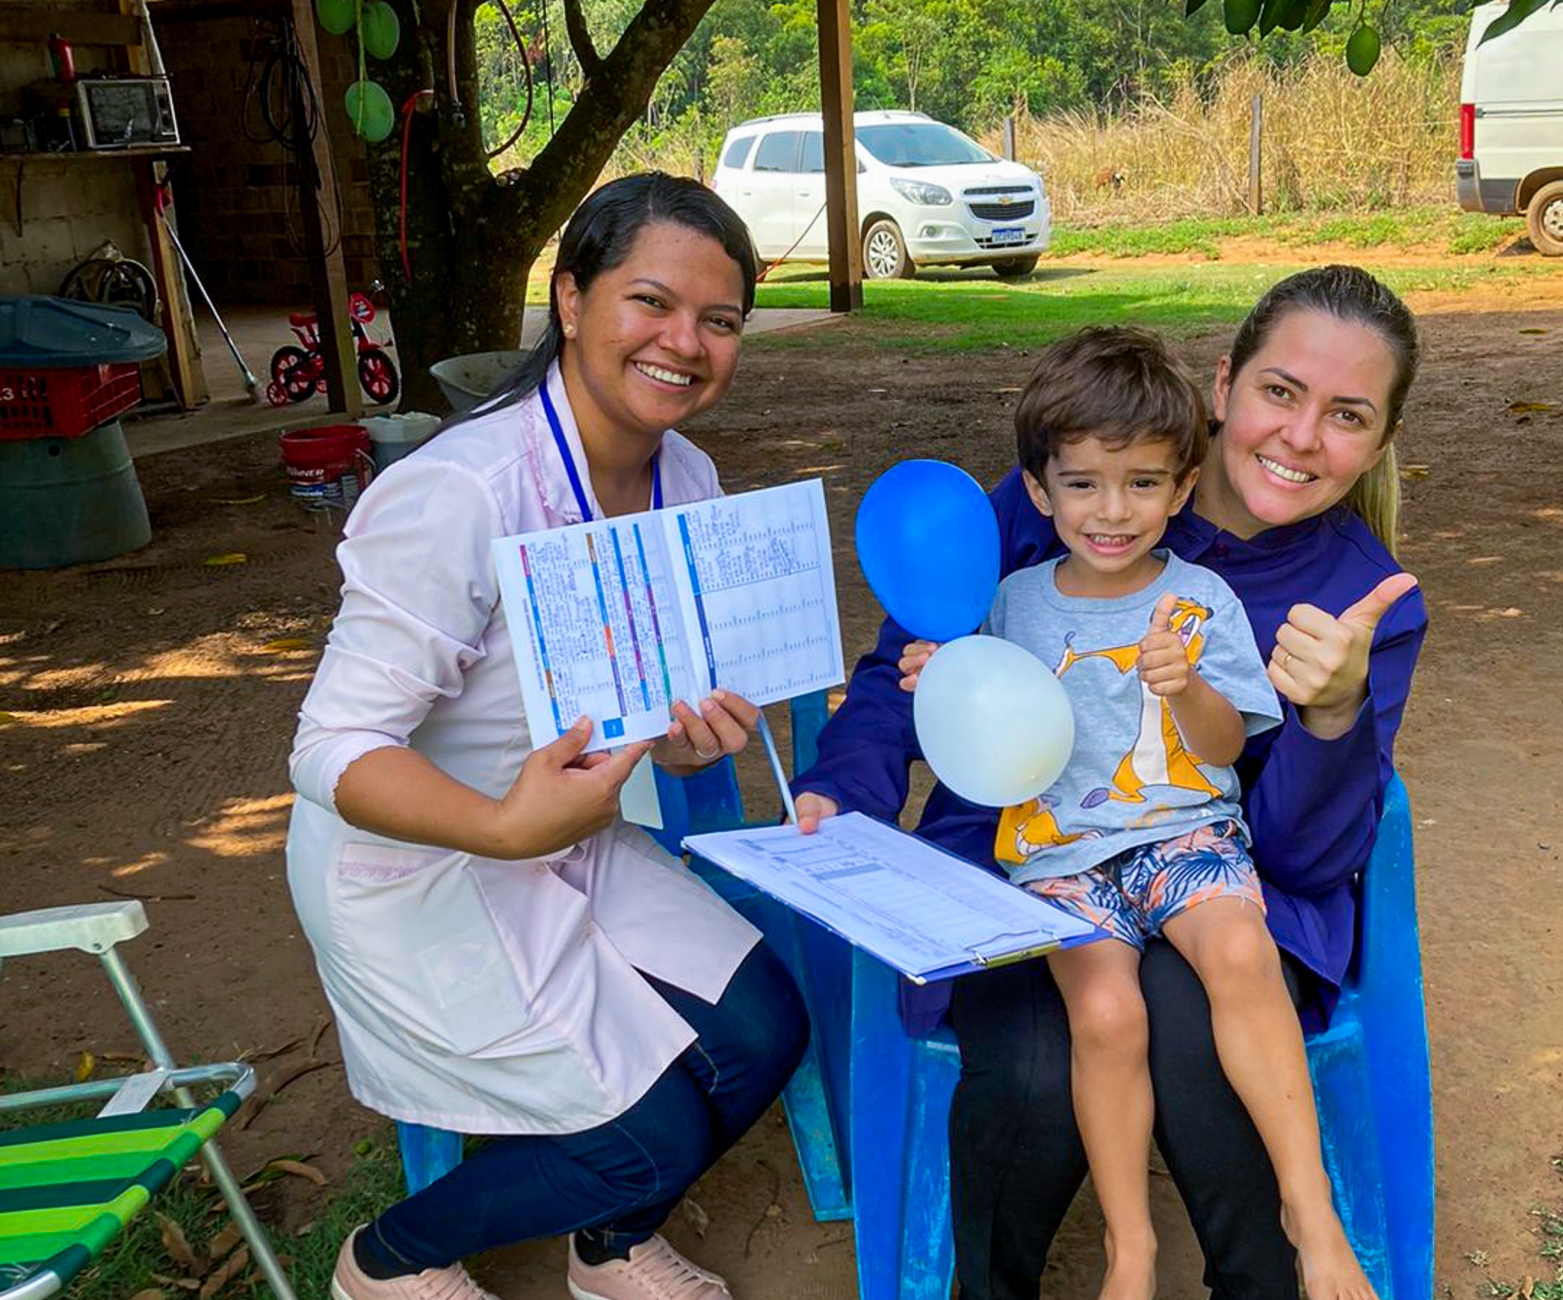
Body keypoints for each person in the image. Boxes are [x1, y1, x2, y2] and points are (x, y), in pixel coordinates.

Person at [792, 265, 1427, 1300]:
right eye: (1279, 391)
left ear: (1378, 439)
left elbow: (1308, 854)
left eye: (1346, 414)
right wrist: (845, 787)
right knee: (1038, 1071)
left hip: (1223, 876)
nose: (1302, 437)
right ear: (1224, 387)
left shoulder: (1364, 596)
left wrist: (1328, 716)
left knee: (1191, 1033)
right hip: (1036, 860)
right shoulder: (1081, 485)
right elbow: (911, 660)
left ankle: (1274, 1269)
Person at [286, 173, 809, 1300]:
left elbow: (641, 702)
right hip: (418, 866)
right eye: (651, 303)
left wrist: (681, 743)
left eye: (719, 321)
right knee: (650, 1134)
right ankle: (384, 1263)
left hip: (560, 833)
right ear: (569, 299)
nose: (686, 344)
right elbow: (328, 748)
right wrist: (498, 825)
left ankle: (608, 1249)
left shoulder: (688, 475)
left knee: (763, 1029)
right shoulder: (459, 493)